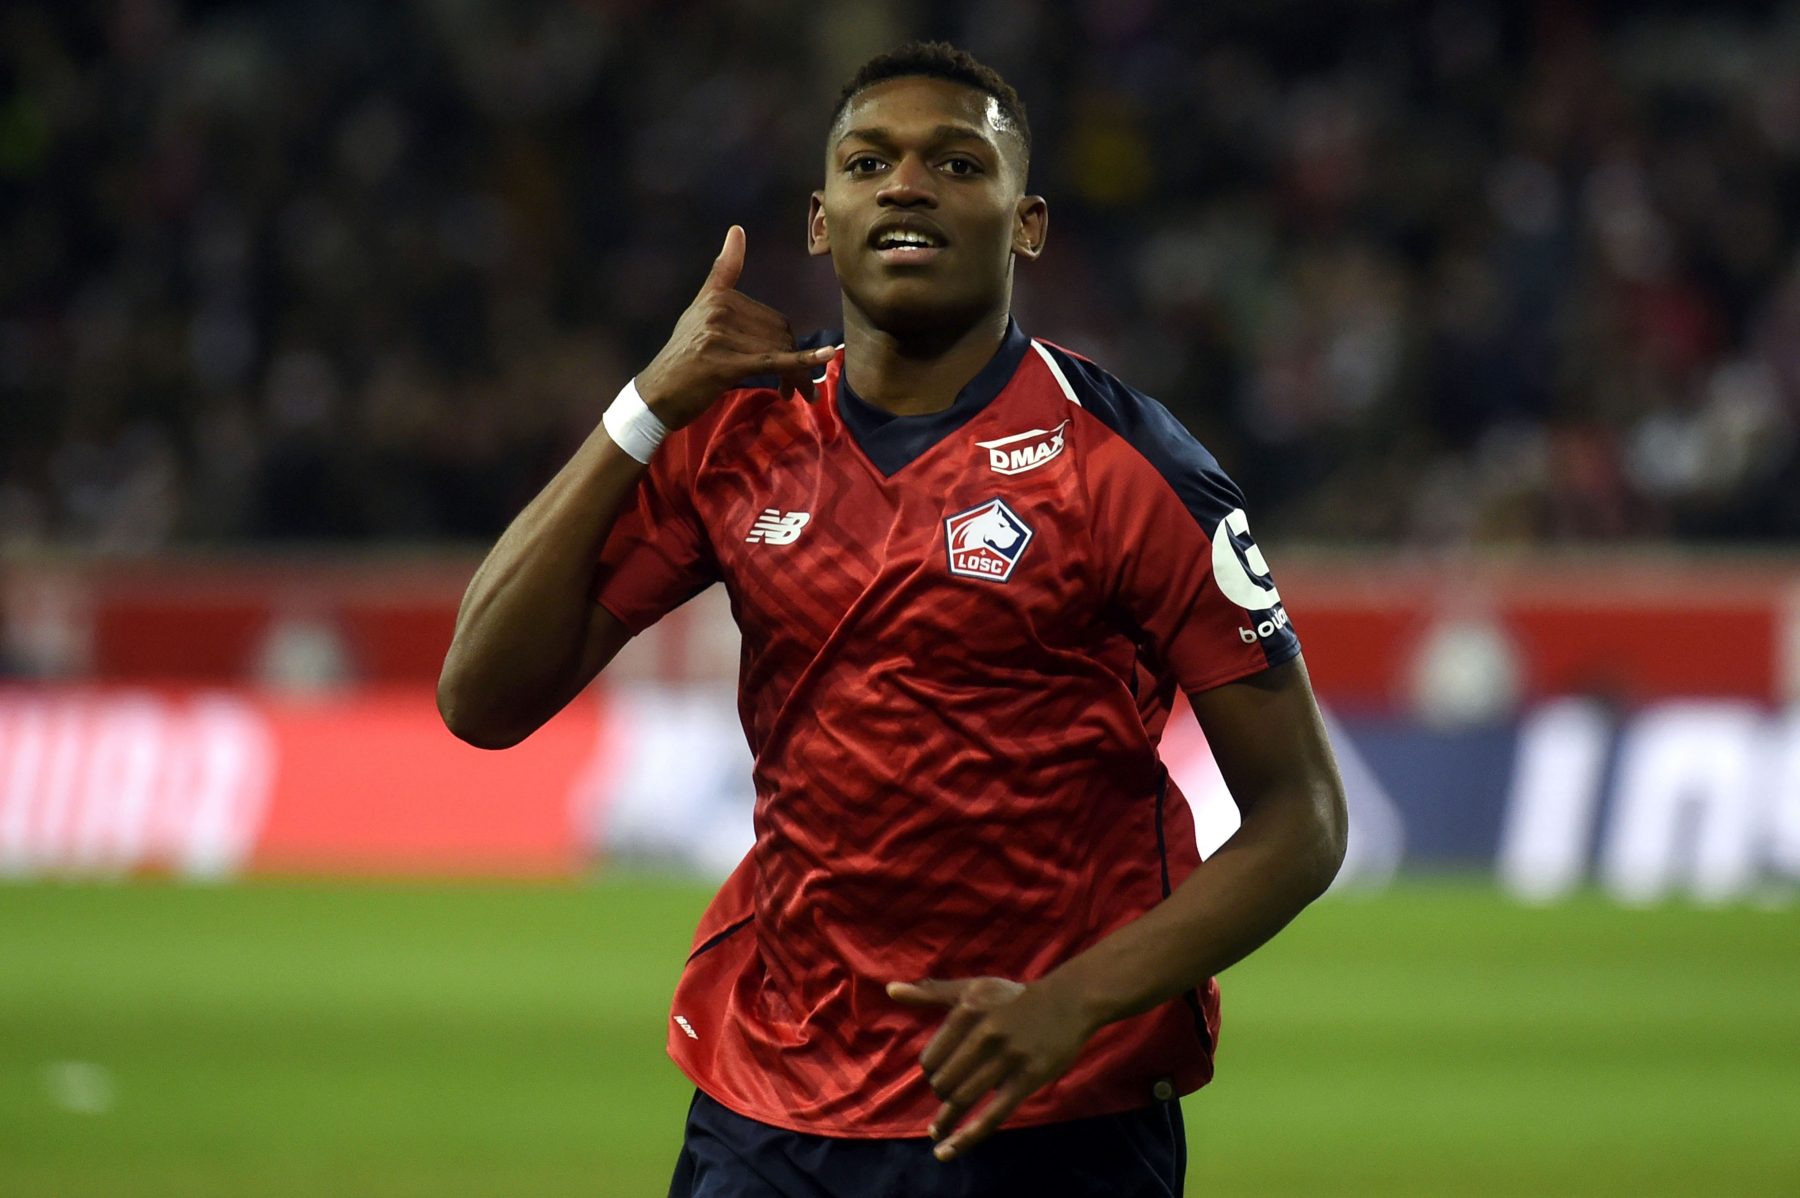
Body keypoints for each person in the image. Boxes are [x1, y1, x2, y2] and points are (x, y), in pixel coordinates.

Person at [439, 41, 1347, 1198]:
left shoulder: (1128, 467)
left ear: (1028, 225)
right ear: (822, 221)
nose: (908, 184)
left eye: (957, 163)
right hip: (769, 1109)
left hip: (1046, 1112)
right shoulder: (732, 438)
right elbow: (479, 697)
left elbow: (1304, 818)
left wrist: (1071, 1003)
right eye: (870, 162)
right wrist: (647, 401)